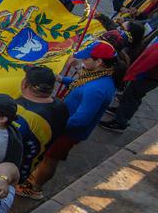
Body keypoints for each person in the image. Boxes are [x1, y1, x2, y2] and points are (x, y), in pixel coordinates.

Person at [19, 42, 119, 200]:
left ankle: (34, 188)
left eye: (86, 59)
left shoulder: (97, 89)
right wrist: (60, 78)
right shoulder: (97, 76)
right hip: (64, 123)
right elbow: (77, 84)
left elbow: (81, 120)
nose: (83, 61)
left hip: (67, 131)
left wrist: (54, 126)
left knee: (50, 159)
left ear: (99, 62)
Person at [11, 66, 69, 182]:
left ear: (24, 84)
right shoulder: (60, 106)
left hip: (8, 171)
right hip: (31, 164)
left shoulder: (19, 113)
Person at [100, 38, 158, 133]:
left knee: (133, 95)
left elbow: (152, 58)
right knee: (130, 93)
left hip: (148, 75)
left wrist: (138, 72)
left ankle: (120, 122)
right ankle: (121, 111)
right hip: (147, 72)